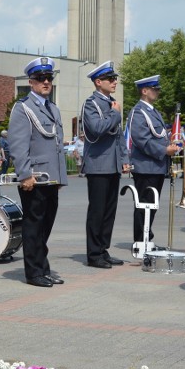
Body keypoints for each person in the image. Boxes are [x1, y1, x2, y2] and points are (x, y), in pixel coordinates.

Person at [7, 57, 67, 288]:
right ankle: (33, 272)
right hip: (35, 177)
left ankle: (43, 267)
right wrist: (24, 174)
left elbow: (58, 145)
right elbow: (18, 144)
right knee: (33, 226)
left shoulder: (52, 108)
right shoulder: (23, 108)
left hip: (50, 177)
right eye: (41, 79)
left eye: (49, 78)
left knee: (46, 225)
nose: (46, 82)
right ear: (30, 82)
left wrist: (60, 176)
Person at [80, 61, 130, 269]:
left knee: (109, 211)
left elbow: (119, 137)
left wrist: (124, 160)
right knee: (98, 211)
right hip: (98, 165)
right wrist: (115, 114)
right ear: (98, 82)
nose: (114, 82)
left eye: (114, 79)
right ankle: (94, 254)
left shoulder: (112, 104)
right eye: (110, 79)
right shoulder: (91, 104)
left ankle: (103, 249)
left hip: (112, 165)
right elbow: (97, 128)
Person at [126, 75, 179, 247]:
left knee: (152, 205)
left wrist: (169, 146)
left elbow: (158, 136)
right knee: (144, 205)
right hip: (145, 167)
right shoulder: (138, 112)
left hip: (155, 166)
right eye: (154, 89)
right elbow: (141, 139)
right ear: (144, 91)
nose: (157, 92)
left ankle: (147, 236)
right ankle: (141, 241)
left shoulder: (153, 111)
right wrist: (164, 150)